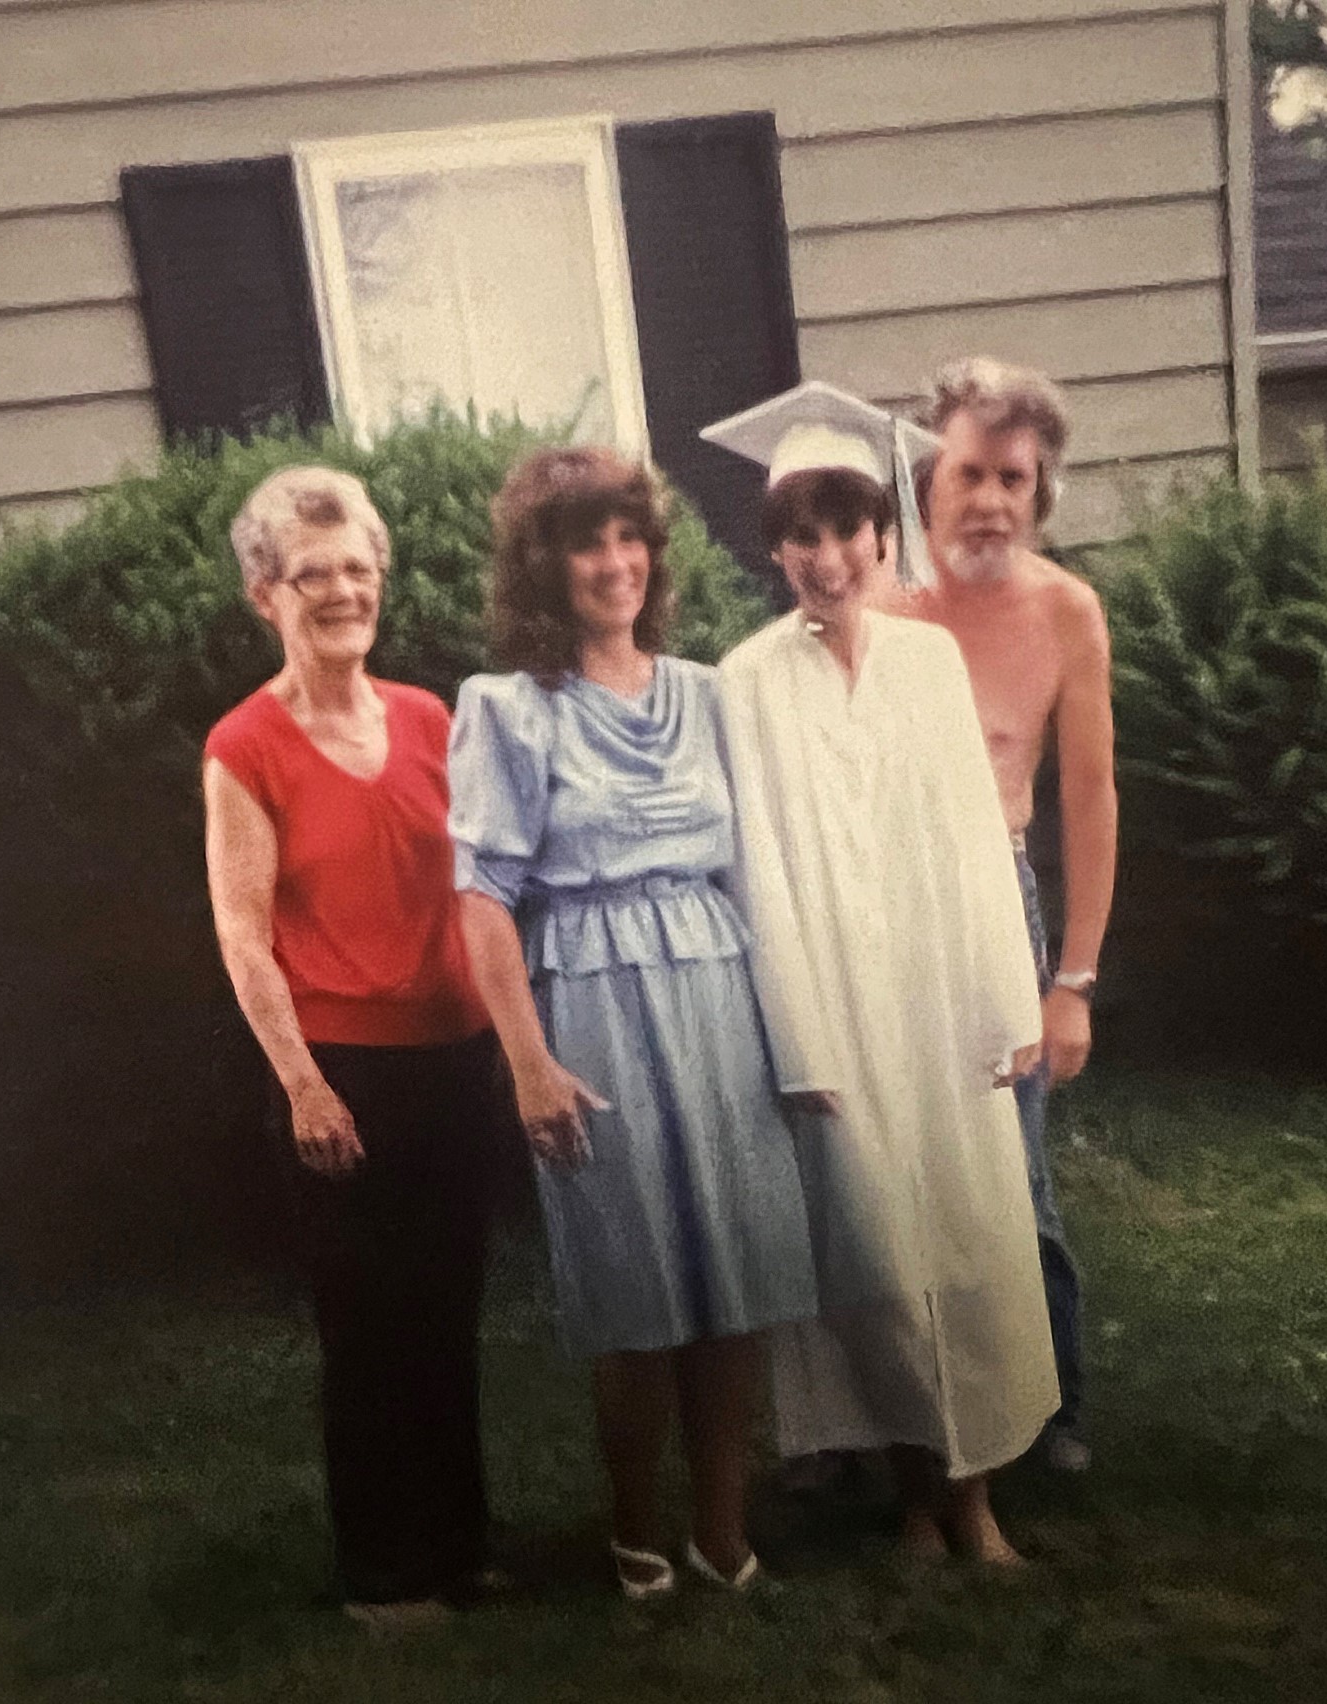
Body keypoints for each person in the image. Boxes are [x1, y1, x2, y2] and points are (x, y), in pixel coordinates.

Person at [445, 446, 816, 1598]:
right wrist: (527, 1063)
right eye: (584, 544)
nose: (613, 563)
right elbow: (482, 899)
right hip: (593, 994)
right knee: (634, 1283)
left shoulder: (709, 694)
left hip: (716, 985)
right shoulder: (506, 710)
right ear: (542, 567)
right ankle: (635, 1531)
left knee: (736, 1271)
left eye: (628, 538)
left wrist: (797, 1034)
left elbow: (760, 871)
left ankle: (723, 1531)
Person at [703, 381, 1056, 1565]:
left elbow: (973, 839)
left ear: (879, 535)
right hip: (834, 1002)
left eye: (845, 529)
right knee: (874, 1260)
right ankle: (915, 1493)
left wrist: (1005, 1000)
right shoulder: (745, 680)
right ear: (775, 550)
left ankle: (976, 1501)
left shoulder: (926, 664)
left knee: (970, 1240)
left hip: (938, 991)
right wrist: (798, 1041)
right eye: (799, 535)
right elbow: (758, 869)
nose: (825, 558)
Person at [202, 466, 506, 1630]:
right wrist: (302, 1084)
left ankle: (461, 1546)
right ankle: (384, 1575)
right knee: (370, 1330)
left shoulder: (431, 720)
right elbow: (243, 932)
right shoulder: (245, 747)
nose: (340, 591)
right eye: (310, 574)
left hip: (454, 1060)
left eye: (356, 568)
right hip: (340, 1072)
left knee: (448, 1311)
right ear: (265, 596)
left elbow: (482, 888)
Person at [896, 357, 1115, 1473]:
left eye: (1013, 480)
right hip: (888, 911)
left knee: (1014, 1172)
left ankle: (1050, 1407)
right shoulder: (878, 601)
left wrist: (1071, 981)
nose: (988, 501)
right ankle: (893, 1415)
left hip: (999, 897)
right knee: (890, 1171)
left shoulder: (1066, 611)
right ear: (927, 479)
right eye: (969, 474)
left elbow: (1090, 794)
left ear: (1041, 492)